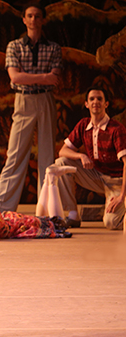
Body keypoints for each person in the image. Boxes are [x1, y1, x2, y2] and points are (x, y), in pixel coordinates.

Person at [0, 3, 62, 213]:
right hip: (23, 99)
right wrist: (44, 77)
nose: (33, 20)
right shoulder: (14, 46)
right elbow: (15, 76)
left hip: (45, 99)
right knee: (15, 153)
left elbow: (56, 79)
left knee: (47, 156)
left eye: (37, 16)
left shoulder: (53, 47)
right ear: (24, 20)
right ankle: (3, 207)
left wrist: (31, 78)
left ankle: (47, 209)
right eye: (30, 16)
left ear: (42, 20)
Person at [51, 87, 126, 231]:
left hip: (118, 181)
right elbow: (63, 151)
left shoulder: (116, 129)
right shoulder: (84, 125)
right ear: (86, 104)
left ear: (106, 104)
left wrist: (121, 196)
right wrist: (81, 155)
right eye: (92, 99)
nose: (95, 102)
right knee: (61, 164)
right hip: (97, 177)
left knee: (111, 223)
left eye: (100, 99)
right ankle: (73, 216)